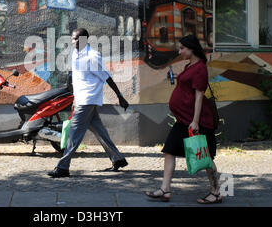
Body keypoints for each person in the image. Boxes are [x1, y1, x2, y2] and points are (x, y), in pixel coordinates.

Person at [145, 34, 222, 204]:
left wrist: (195, 121)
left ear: (191, 49)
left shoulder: (200, 68)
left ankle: (216, 192)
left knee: (205, 157)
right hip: (183, 120)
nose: (179, 51)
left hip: (196, 122)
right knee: (170, 150)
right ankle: (165, 189)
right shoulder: (190, 66)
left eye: (182, 48)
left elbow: (199, 96)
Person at [48, 28, 130, 178]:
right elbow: (78, 79)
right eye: (72, 39)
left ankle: (62, 167)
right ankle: (118, 159)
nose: (73, 42)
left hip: (88, 99)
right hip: (82, 99)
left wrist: (120, 96)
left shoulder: (92, 56)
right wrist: (75, 99)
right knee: (100, 131)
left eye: (76, 39)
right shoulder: (75, 54)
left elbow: (106, 77)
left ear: (85, 39)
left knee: (73, 134)